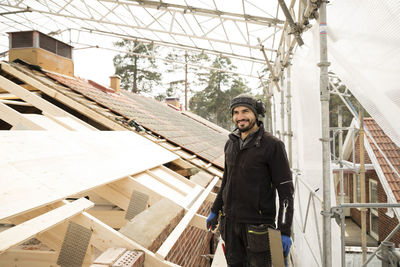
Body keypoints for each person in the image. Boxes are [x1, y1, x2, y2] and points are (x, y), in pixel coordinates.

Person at [206, 93, 294, 267]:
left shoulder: (272, 145)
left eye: (245, 111)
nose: (240, 117)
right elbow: (226, 180)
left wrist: (284, 231)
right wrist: (216, 209)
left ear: (255, 113)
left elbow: (286, 192)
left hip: (258, 228)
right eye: (236, 112)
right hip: (230, 225)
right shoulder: (231, 143)